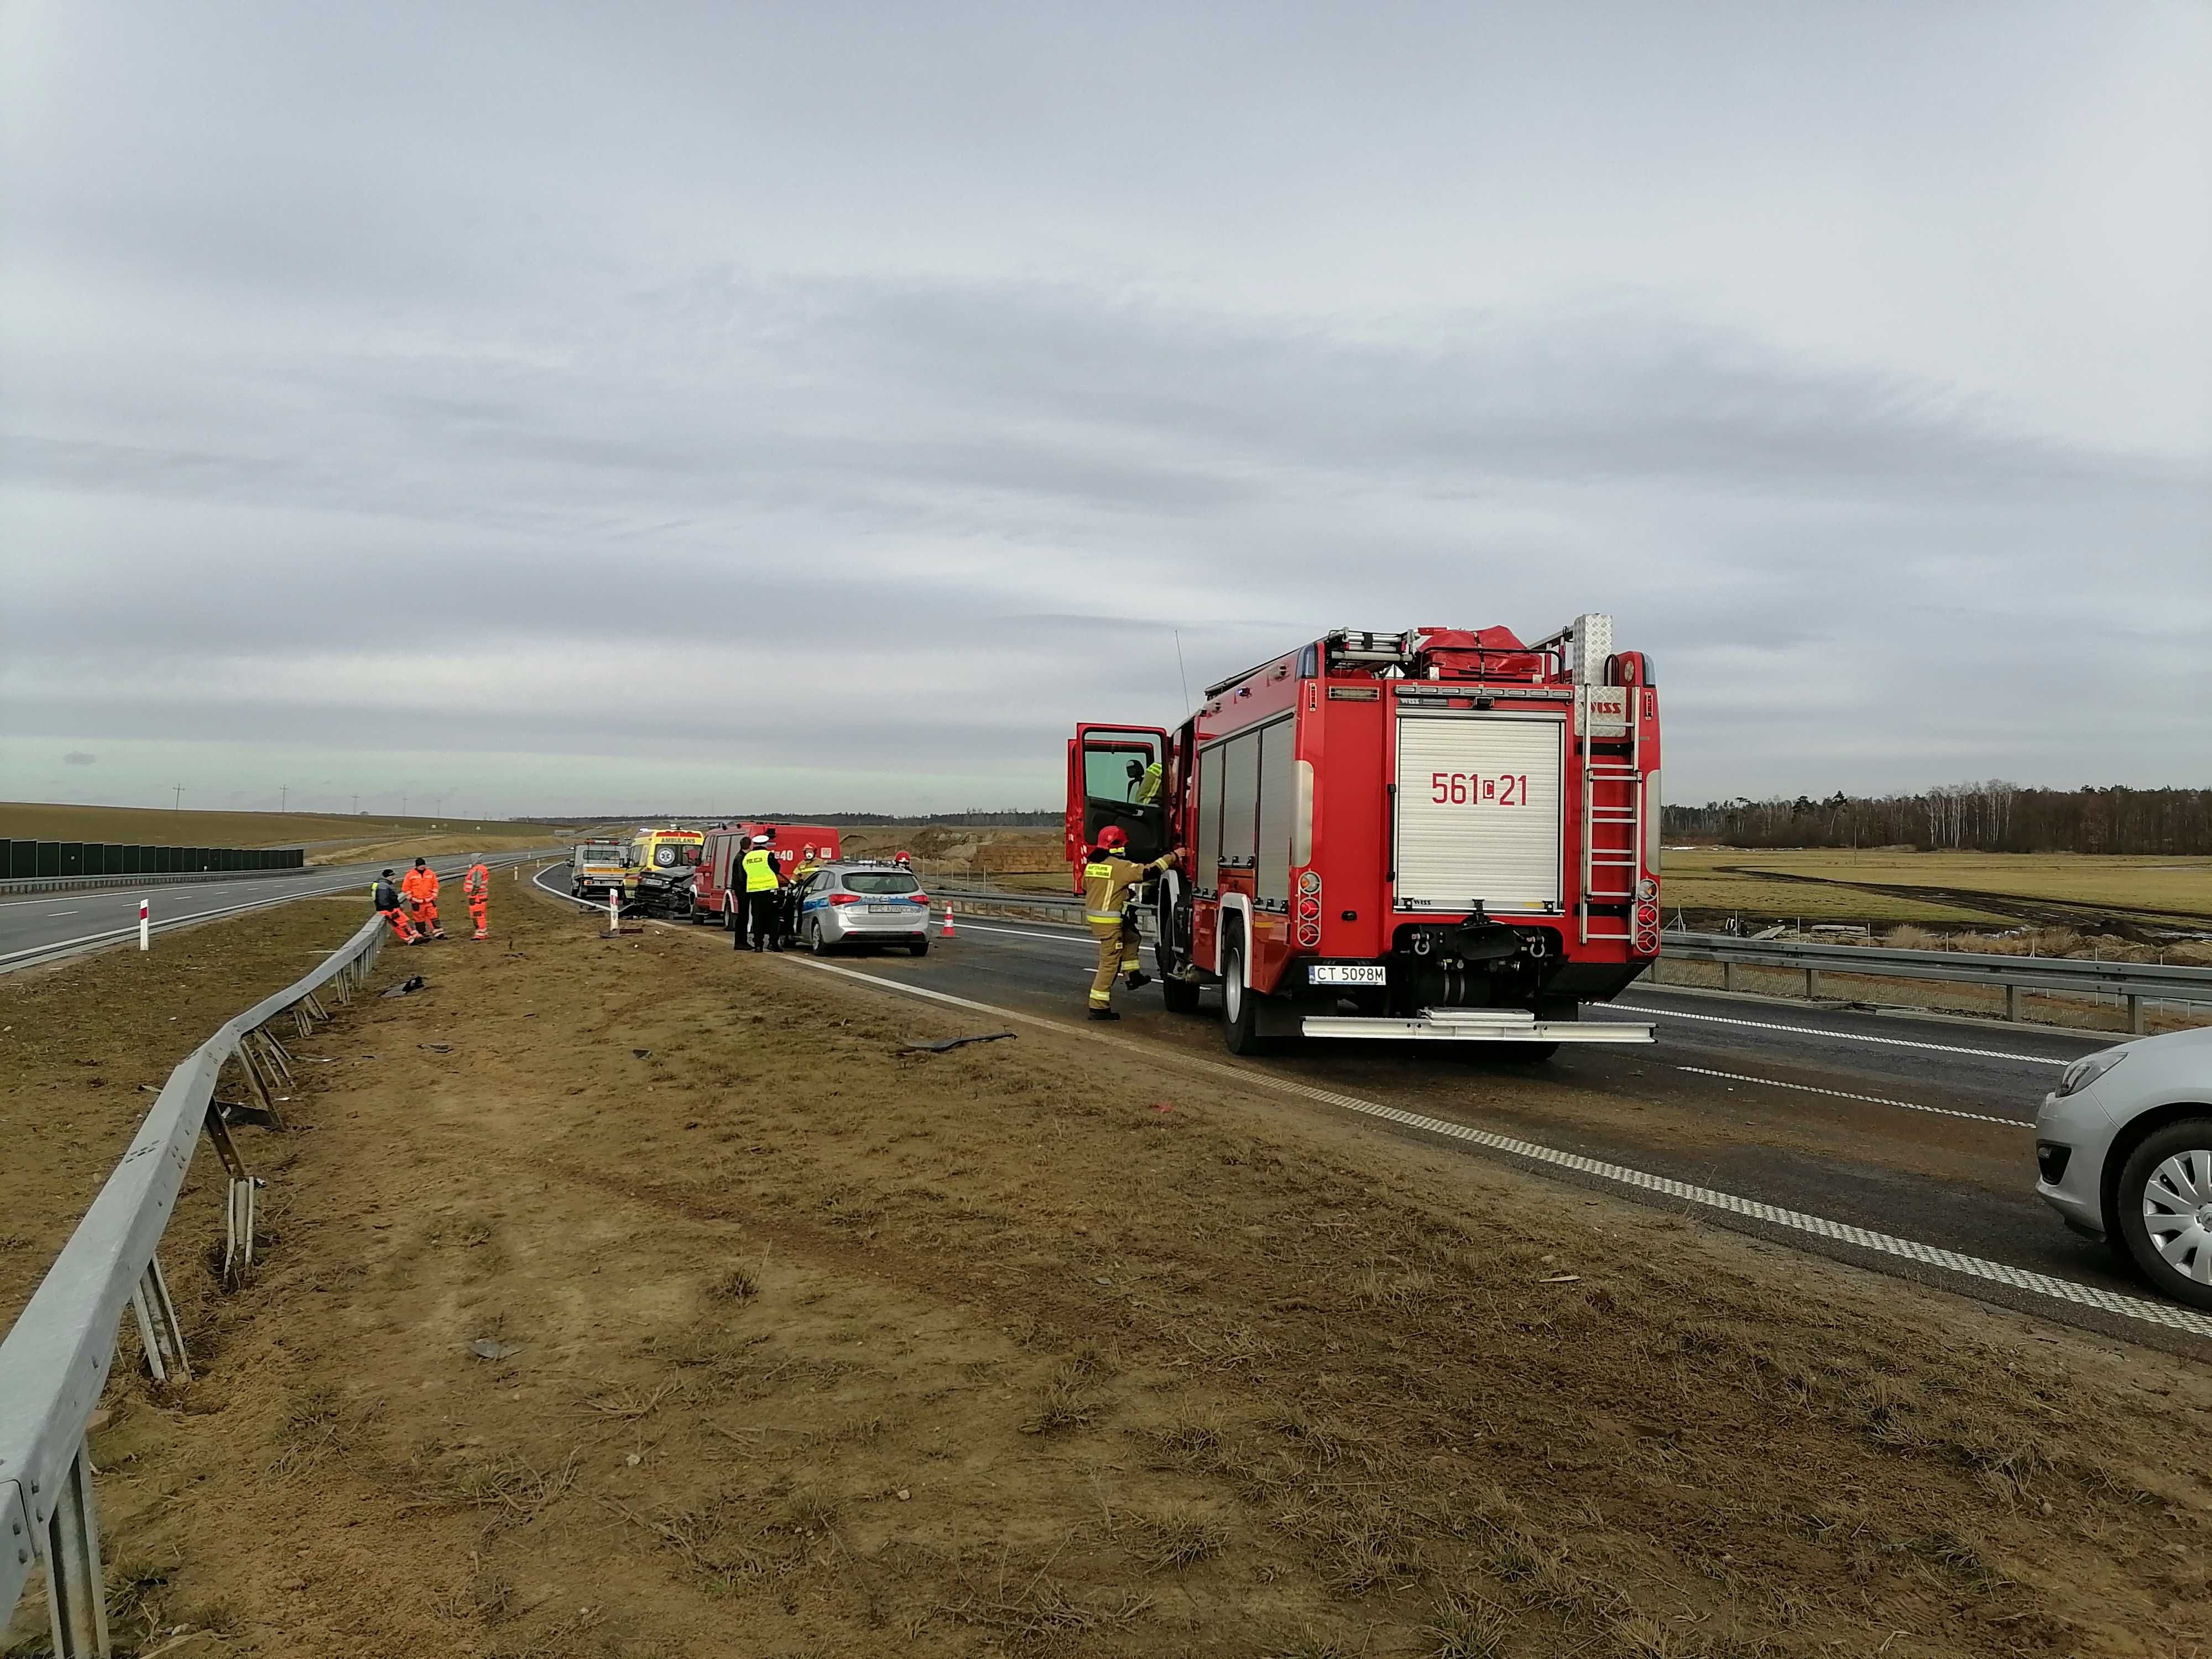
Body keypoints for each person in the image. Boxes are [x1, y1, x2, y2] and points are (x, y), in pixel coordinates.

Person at [1082, 826, 1181, 1021]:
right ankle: (1098, 1006)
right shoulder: (1120, 867)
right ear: (1118, 845)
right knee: (1109, 964)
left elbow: (1090, 887)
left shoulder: (1092, 865)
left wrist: (1122, 894)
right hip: (1110, 922)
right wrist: (1173, 857)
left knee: (1132, 938)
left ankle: (1132, 975)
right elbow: (1148, 872)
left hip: (1098, 919)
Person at [734, 831, 782, 952]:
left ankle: (758, 945)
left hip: (754, 891)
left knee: (757, 918)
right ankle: (773, 943)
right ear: (766, 844)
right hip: (769, 890)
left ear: (754, 844)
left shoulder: (747, 858)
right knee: (773, 918)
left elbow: (744, 874)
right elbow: (777, 869)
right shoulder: (768, 855)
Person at [400, 857, 445, 939]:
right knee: (419, 919)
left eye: (423, 865)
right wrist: (412, 899)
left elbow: (435, 886)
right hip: (417, 901)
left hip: (429, 900)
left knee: (434, 916)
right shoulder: (410, 875)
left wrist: (433, 896)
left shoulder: (431, 873)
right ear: (417, 866)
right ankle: (422, 933)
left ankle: (439, 934)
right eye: (421, 865)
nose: (422, 867)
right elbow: (406, 888)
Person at [373, 868, 421, 944]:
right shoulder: (383, 885)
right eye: (393, 875)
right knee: (401, 925)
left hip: (392, 908)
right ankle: (411, 939)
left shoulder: (384, 884)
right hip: (389, 910)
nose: (394, 877)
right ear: (388, 876)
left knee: (404, 922)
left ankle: (415, 936)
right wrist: (391, 908)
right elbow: (383, 900)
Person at [462, 858, 491, 940]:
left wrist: (472, 893)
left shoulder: (477, 870)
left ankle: (481, 933)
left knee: (478, 915)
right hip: (481, 896)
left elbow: (476, 884)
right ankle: (483, 932)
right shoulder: (482, 869)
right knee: (480, 914)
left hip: (477, 897)